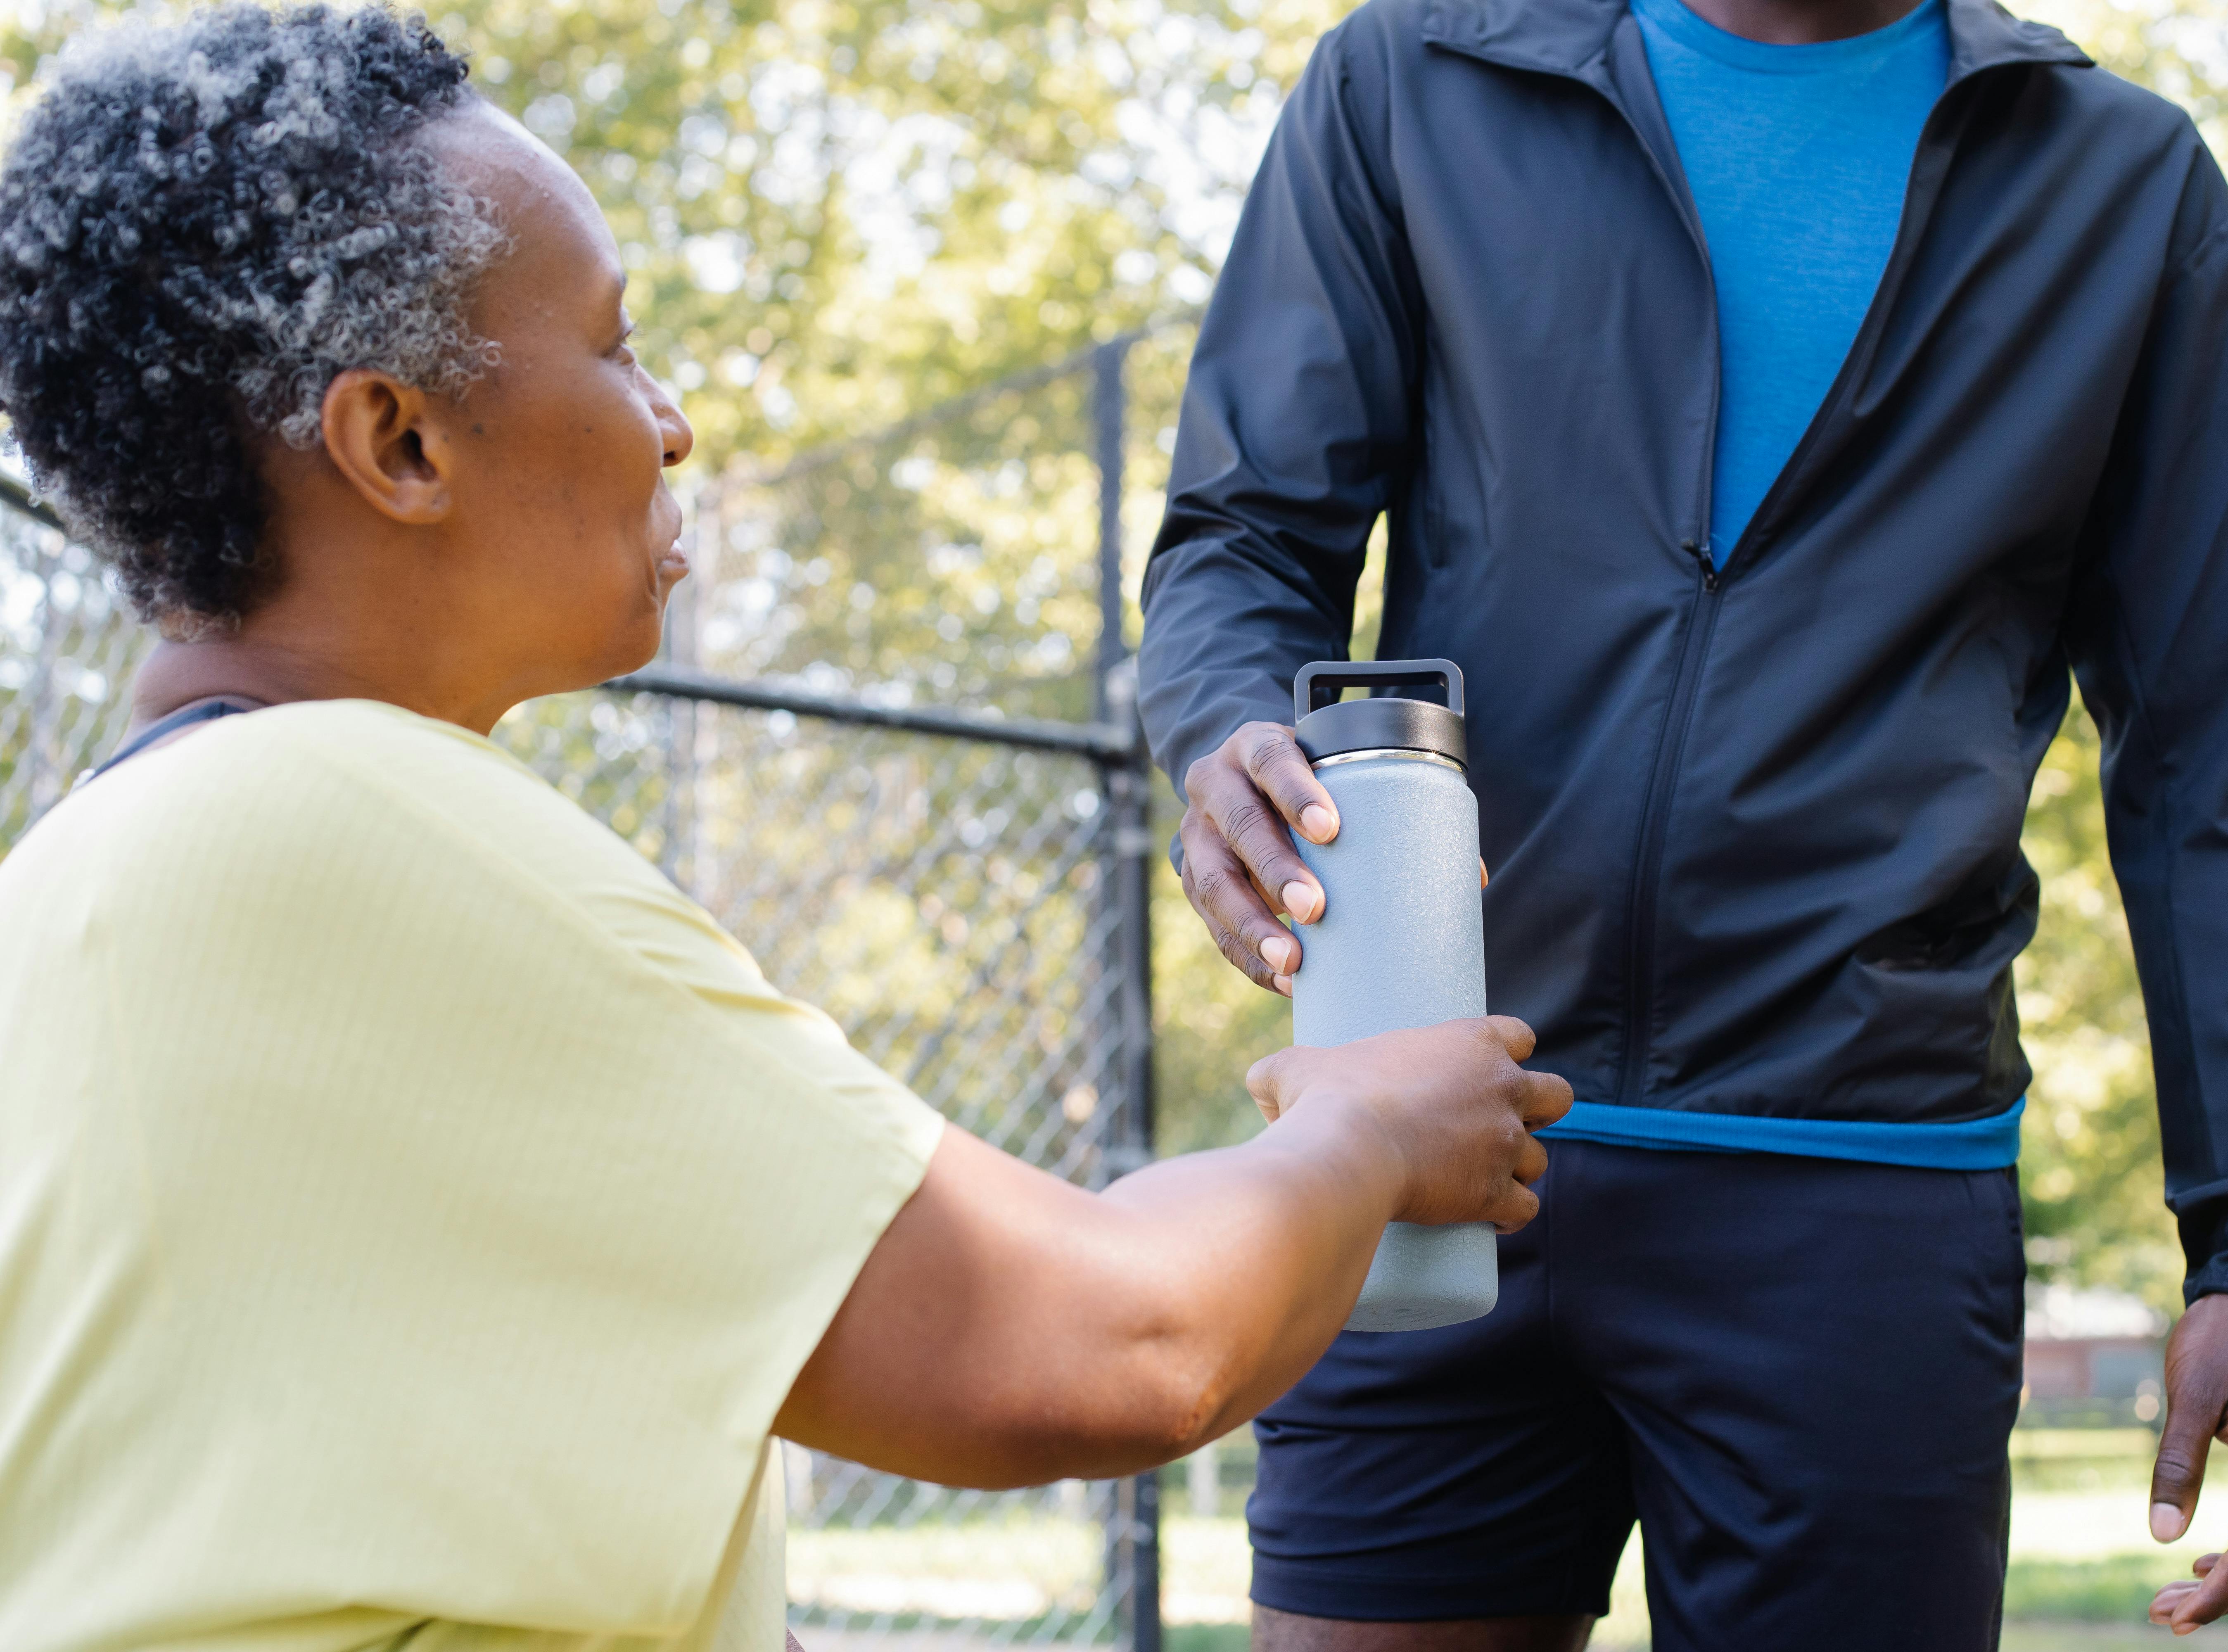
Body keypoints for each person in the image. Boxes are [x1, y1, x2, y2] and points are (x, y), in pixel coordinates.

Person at [0, 10, 1573, 1651]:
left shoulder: (78, 889)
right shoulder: (352, 830)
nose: (669, 421)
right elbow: (1111, 1347)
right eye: (613, 348)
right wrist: (1369, 1132)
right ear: (400, 442)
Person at [1138, 0, 2228, 1643]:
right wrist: (1227, 720)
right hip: (1425, 1143)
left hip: (1859, 1192)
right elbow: (1241, 534)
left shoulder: (2122, 191)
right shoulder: (1416, 83)